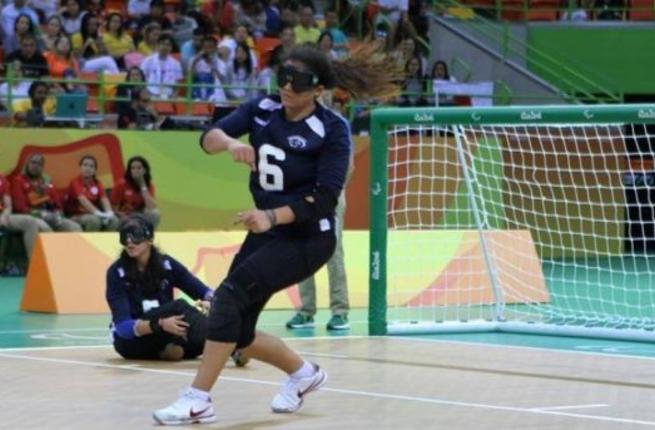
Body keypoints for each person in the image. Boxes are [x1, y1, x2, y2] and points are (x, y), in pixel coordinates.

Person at [153, 42, 403, 425]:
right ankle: (304, 374)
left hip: (309, 238)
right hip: (266, 230)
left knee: (228, 299)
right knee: (237, 330)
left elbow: (323, 200)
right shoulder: (264, 109)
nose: (286, 87)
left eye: (297, 82)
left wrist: (272, 216)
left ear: (318, 88)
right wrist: (232, 144)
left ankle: (198, 399)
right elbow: (208, 138)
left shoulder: (332, 130)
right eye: (282, 77)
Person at [106, 214, 213, 361]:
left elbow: (203, 291)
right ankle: (235, 345)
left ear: (150, 239)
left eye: (135, 235)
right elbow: (123, 328)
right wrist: (159, 324)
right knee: (179, 306)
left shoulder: (167, 265)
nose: (129, 242)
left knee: (194, 335)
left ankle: (166, 352)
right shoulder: (116, 273)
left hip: (163, 332)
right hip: (130, 341)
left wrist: (213, 301)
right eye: (124, 236)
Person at [11, 153, 82, 232]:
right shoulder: (18, 181)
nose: (35, 166)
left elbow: (57, 204)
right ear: (27, 164)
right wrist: (42, 214)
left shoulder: (46, 181)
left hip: (51, 215)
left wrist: (57, 213)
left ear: (42, 167)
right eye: (33, 162)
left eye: (39, 164)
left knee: (75, 227)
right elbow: (20, 208)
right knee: (46, 229)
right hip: (31, 217)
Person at [0, 173, 51, 258]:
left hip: (2, 216)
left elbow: (8, 205)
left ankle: (35, 266)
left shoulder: (2, 179)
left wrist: (4, 216)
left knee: (30, 222)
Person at [65, 155, 119, 231]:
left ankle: (105, 242)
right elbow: (83, 200)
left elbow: (104, 199)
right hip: (75, 215)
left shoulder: (97, 183)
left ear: (95, 170)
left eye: (91, 166)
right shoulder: (75, 182)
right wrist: (97, 213)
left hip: (94, 214)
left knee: (114, 220)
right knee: (94, 221)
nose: (88, 168)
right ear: (80, 167)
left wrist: (109, 212)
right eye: (85, 165)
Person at [110, 155, 160, 227]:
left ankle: (148, 236)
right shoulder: (121, 184)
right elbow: (113, 209)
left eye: (139, 168)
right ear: (129, 171)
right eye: (133, 168)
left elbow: (151, 207)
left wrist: (142, 185)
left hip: (140, 216)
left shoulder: (149, 186)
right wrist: (126, 218)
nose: (136, 170)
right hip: (123, 217)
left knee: (155, 213)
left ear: (145, 170)